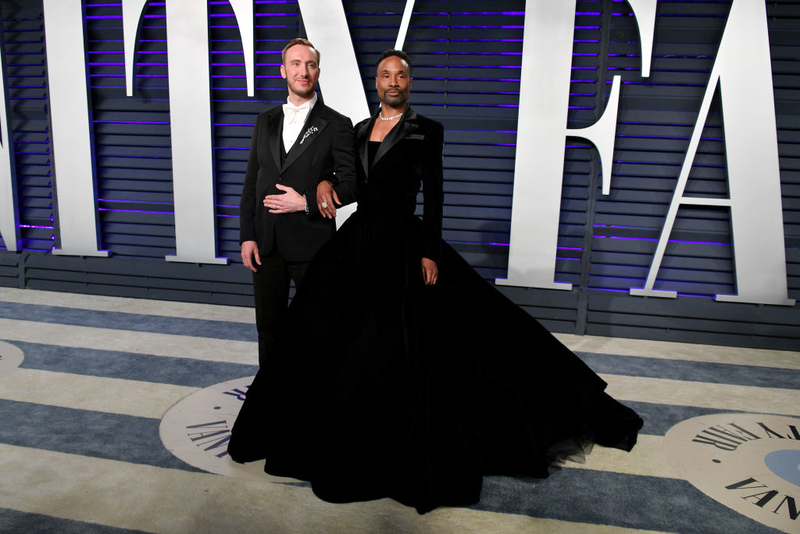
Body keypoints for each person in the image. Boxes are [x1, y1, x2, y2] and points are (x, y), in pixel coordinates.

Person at [228, 50, 643, 514]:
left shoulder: (427, 130)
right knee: (326, 335)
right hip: (358, 239)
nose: (392, 81)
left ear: (408, 82)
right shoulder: (359, 129)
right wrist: (324, 185)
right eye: (385, 75)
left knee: (411, 338)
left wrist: (429, 249)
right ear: (377, 82)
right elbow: (344, 177)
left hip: (404, 241)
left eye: (400, 75)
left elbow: (435, 192)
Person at [238, 38, 356, 369]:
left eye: (309, 65)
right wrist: (247, 235)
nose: (302, 71)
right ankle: (271, 405)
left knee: (318, 331)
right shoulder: (265, 120)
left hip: (314, 246)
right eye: (295, 64)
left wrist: (304, 203)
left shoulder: (337, 124)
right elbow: (252, 182)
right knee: (269, 331)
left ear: (317, 72)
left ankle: (316, 404)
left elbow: (351, 185)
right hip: (266, 244)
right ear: (283, 70)